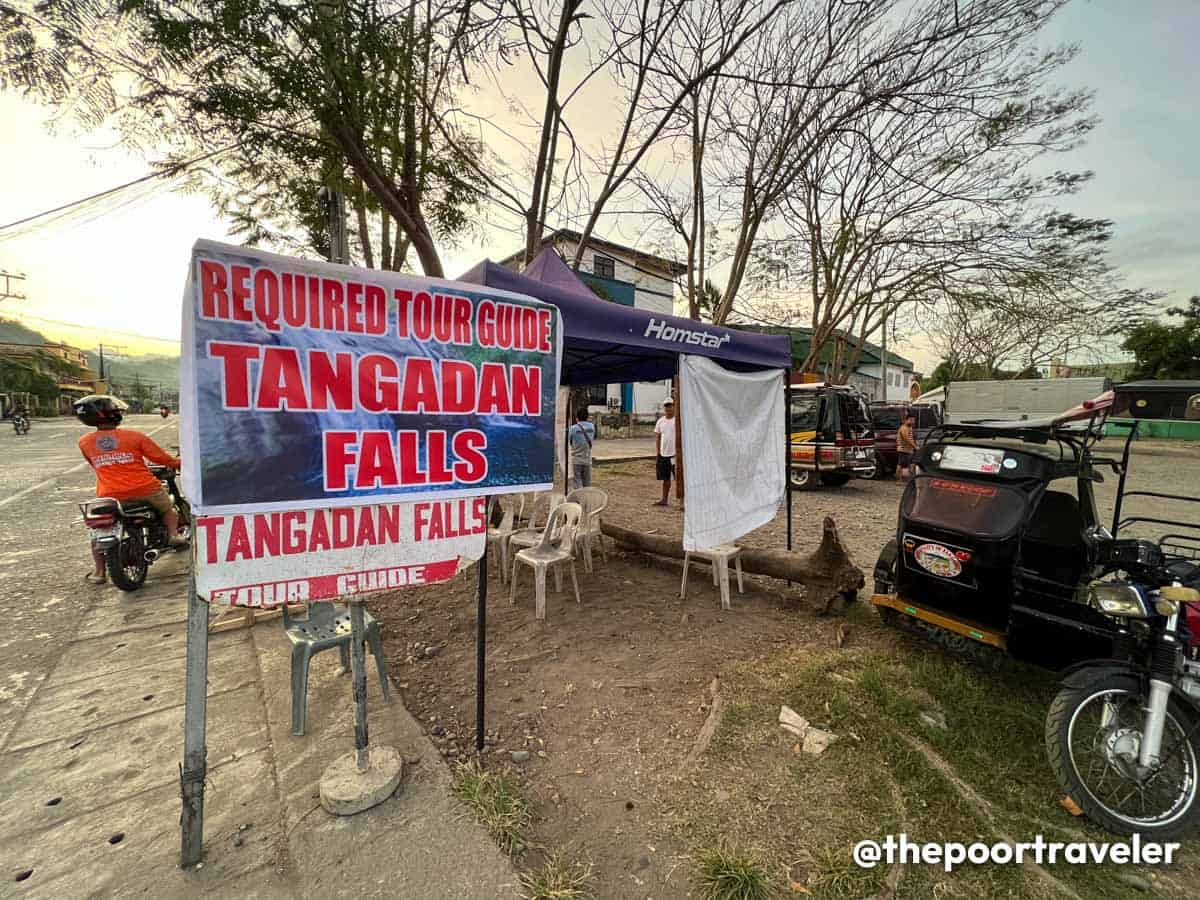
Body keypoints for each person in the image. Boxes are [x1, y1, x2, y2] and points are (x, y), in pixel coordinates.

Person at [74, 394, 185, 584]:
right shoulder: (134, 437)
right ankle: (174, 537)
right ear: (114, 415)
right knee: (169, 509)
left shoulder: (84, 442)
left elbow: (96, 465)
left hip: (109, 496)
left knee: (97, 534)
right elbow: (163, 459)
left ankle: (99, 572)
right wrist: (180, 463)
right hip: (145, 489)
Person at [653, 397, 677, 506]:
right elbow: (658, 437)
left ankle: (683, 502)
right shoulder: (660, 421)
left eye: (670, 406)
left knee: (679, 479)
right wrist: (658, 452)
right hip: (663, 454)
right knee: (665, 479)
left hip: (676, 455)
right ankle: (664, 500)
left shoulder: (677, 420)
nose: (668, 408)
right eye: (666, 406)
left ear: (674, 406)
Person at [568, 407, 596, 489]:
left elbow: (569, 441)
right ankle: (587, 499)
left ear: (577, 417)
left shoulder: (573, 429)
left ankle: (579, 500)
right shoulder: (592, 427)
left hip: (576, 460)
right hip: (587, 460)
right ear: (587, 417)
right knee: (587, 483)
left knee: (577, 482)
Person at [896, 413, 918, 482]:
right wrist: (915, 447)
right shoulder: (904, 428)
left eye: (913, 420)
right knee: (900, 465)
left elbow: (912, 438)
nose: (912, 422)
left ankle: (912, 480)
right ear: (906, 420)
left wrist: (915, 445)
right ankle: (898, 480)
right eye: (910, 420)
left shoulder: (910, 427)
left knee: (912, 464)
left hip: (910, 450)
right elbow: (907, 439)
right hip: (903, 450)